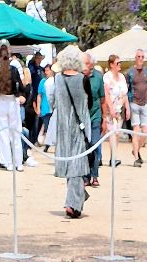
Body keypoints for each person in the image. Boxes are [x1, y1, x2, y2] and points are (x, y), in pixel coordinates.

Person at [50, 41, 88, 215]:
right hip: (78, 126)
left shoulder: (57, 79)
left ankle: (75, 200)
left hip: (62, 126)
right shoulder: (81, 79)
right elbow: (86, 105)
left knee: (71, 164)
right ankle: (73, 204)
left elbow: (53, 100)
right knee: (76, 165)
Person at [0, 39, 25, 173]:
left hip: (1, 101)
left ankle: (7, 162)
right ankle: (18, 162)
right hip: (12, 101)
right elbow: (21, 87)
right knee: (16, 132)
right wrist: (21, 95)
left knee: (3, 133)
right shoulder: (14, 69)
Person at [102, 53, 128, 167]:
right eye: (117, 63)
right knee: (112, 133)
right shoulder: (107, 77)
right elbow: (106, 93)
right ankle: (113, 157)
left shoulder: (122, 77)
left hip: (119, 108)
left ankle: (114, 156)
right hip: (110, 109)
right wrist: (111, 109)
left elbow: (124, 93)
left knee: (117, 133)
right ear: (111, 64)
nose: (119, 65)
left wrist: (127, 107)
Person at [126, 48, 147, 164]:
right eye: (138, 56)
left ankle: (136, 150)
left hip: (145, 103)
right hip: (134, 103)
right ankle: (136, 157)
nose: (141, 59)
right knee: (136, 131)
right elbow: (126, 88)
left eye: (142, 57)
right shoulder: (130, 72)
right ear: (135, 58)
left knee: (146, 133)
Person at [81, 52, 104, 184]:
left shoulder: (98, 77)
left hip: (95, 115)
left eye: (87, 63)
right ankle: (86, 176)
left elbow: (102, 99)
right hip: (83, 117)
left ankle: (94, 174)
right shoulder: (79, 76)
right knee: (85, 146)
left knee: (94, 144)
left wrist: (104, 118)